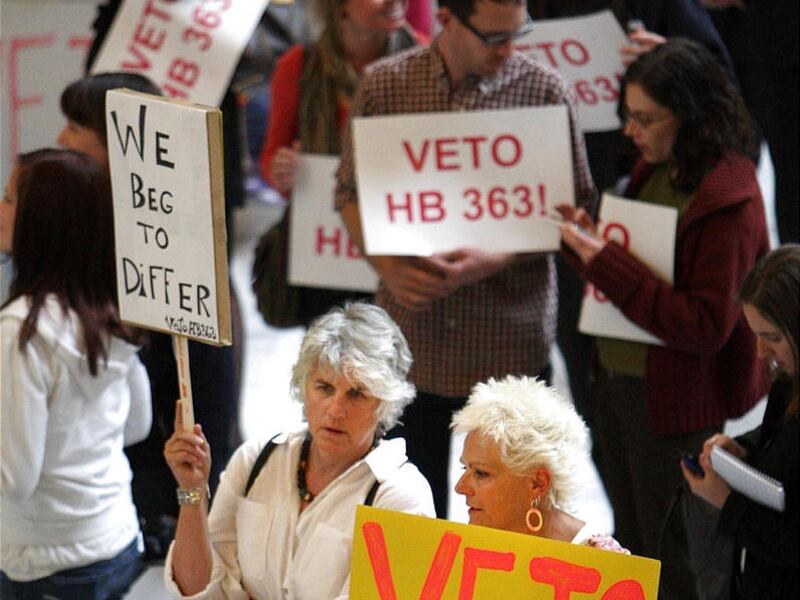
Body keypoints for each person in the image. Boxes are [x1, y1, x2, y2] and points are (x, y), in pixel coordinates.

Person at [336, 0, 596, 518]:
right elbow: (349, 193)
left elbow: (577, 213)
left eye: (517, 34)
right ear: (448, 19)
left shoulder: (543, 91)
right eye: (494, 38)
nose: (509, 50)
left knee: (514, 515)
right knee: (412, 508)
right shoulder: (386, 86)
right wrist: (387, 267)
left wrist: (492, 258)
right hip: (414, 338)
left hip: (508, 342)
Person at [557, 38, 770, 568]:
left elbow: (704, 325)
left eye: (645, 119)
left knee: (674, 559)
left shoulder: (729, 201)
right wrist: (589, 246)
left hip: (674, 407)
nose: (630, 131)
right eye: (628, 116)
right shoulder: (657, 167)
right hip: (620, 388)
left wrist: (604, 260)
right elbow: (640, 272)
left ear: (691, 117)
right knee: (632, 546)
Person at [57, 72, 243, 558]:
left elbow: (208, 400)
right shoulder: (81, 225)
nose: (61, 139)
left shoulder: (187, 251)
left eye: (76, 127)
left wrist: (189, 499)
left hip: (152, 484)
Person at [163, 302, 435, 599]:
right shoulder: (258, 458)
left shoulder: (402, 498)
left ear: (385, 403)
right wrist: (193, 493)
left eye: (356, 394)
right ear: (303, 386)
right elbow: (196, 591)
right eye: (324, 387)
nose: (335, 409)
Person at [0, 149, 151, 599]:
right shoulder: (106, 312)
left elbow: (13, 477)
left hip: (44, 562)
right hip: (116, 541)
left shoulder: (19, 331)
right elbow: (137, 425)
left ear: (41, 224)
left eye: (8, 200)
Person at [256, 0, 427, 326]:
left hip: (402, 253)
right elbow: (272, 159)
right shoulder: (300, 66)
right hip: (328, 258)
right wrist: (283, 170)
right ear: (339, 7)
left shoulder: (426, 59)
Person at [682, 244, 799, 600]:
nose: (762, 352)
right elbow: (777, 437)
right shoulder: (788, 381)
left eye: (773, 338)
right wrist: (742, 448)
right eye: (757, 335)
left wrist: (727, 501)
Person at [451, 375, 628, 552]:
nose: (460, 487)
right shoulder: (460, 545)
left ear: (538, 483)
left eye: (481, 473)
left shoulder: (602, 562)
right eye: (464, 468)